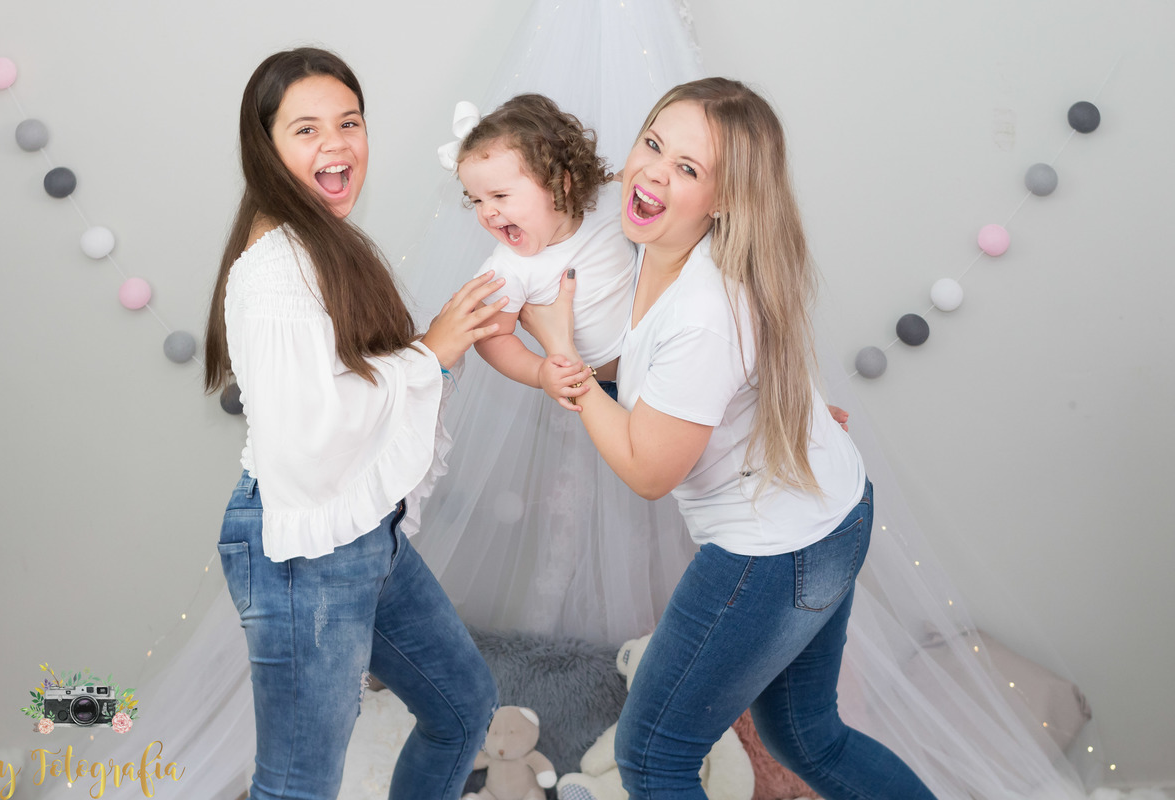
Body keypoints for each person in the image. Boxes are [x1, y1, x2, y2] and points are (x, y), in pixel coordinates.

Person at [520, 77, 938, 800]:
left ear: (724, 199)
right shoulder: (663, 244)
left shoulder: (706, 308)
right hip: (832, 511)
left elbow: (651, 469)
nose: (652, 170)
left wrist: (568, 365)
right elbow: (661, 379)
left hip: (777, 550)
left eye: (687, 168)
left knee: (651, 755)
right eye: (653, 143)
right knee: (806, 734)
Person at [202, 47, 503, 800]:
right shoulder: (273, 271)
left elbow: (355, 382)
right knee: (298, 785)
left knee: (464, 706)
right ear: (265, 147)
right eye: (307, 130)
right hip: (303, 543)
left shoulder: (324, 245)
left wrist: (433, 352)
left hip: (362, 531)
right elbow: (311, 438)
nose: (336, 144)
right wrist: (428, 356)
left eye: (350, 122)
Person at [455, 94, 635, 395]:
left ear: (559, 184)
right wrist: (540, 372)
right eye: (476, 200)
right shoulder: (506, 270)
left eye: (499, 196)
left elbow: (631, 180)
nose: (487, 211)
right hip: (604, 384)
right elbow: (490, 338)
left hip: (655, 353)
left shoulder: (607, 202)